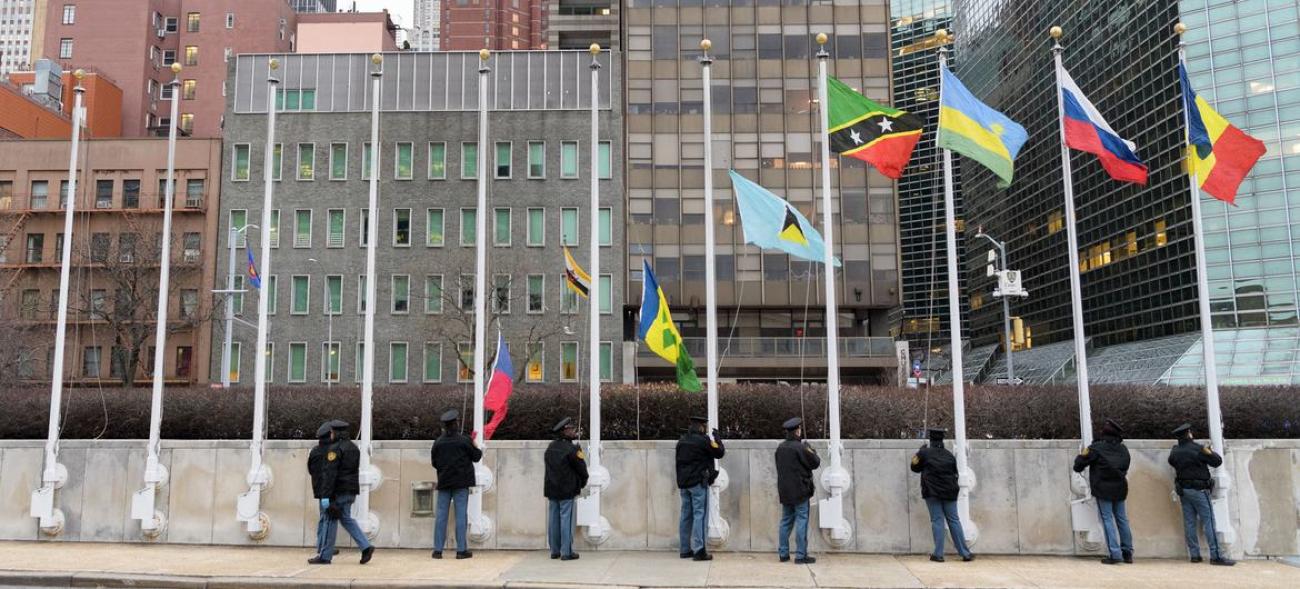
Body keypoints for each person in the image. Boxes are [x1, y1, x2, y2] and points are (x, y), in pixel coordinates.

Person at [1168, 423, 1234, 566]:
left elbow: (1171, 461)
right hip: (1199, 490)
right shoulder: (1198, 449)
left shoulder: (1175, 451)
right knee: (1209, 521)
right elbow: (1217, 461)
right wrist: (1209, 451)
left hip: (1184, 490)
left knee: (1190, 523)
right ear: (1189, 434)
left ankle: (1195, 555)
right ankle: (1215, 555)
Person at [1073, 419, 1133, 564]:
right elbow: (1126, 465)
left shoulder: (1096, 448)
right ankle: (1128, 553)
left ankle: (1115, 553)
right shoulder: (1123, 449)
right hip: (1119, 488)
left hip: (1103, 489)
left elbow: (1079, 465)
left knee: (1107, 519)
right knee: (1122, 519)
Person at [316, 420, 375, 565]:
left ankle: (325, 556)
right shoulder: (353, 448)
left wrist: (326, 496)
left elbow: (330, 474)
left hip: (338, 492)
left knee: (330, 520)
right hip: (351, 491)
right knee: (346, 519)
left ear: (334, 433)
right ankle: (366, 547)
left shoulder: (334, 450)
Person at [910, 428, 973, 563]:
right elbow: (954, 472)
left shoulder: (924, 452)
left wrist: (919, 452)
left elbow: (914, 467)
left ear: (931, 440)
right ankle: (965, 553)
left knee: (937, 520)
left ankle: (938, 554)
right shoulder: (949, 454)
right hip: (950, 492)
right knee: (954, 520)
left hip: (932, 492)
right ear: (942, 440)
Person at [431, 409, 483, 560]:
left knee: (441, 516)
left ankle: (437, 550)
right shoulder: (464, 440)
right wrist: (474, 443)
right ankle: (461, 550)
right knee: (461, 515)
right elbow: (477, 457)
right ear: (456, 424)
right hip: (461, 484)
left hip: (444, 482)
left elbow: (434, 462)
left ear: (444, 426)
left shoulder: (438, 442)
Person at [676, 415, 725, 561]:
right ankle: (699, 550)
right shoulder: (703, 441)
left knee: (685, 515)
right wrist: (718, 439)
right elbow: (719, 453)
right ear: (702, 427)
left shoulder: (682, 440)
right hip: (698, 483)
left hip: (684, 484)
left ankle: (685, 549)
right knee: (700, 515)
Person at [774, 417, 820, 564]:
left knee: (785, 521)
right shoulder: (800, 447)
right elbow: (815, 462)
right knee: (801, 520)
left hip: (785, 491)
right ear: (797, 431)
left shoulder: (780, 447)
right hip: (800, 490)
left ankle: (783, 554)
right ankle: (800, 555)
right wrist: (811, 449)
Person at [544, 417, 589, 561]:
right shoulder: (572, 449)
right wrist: (582, 482)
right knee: (566, 520)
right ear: (564, 432)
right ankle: (566, 552)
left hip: (552, 489)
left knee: (553, 520)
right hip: (567, 490)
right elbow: (582, 470)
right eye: (571, 429)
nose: (574, 431)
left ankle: (554, 550)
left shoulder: (551, 447)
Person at [307, 421, 339, 564]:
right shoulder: (333, 451)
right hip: (329, 490)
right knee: (328, 519)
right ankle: (325, 549)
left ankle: (322, 546)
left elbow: (310, 470)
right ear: (329, 435)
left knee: (323, 518)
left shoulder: (314, 451)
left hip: (318, 489)